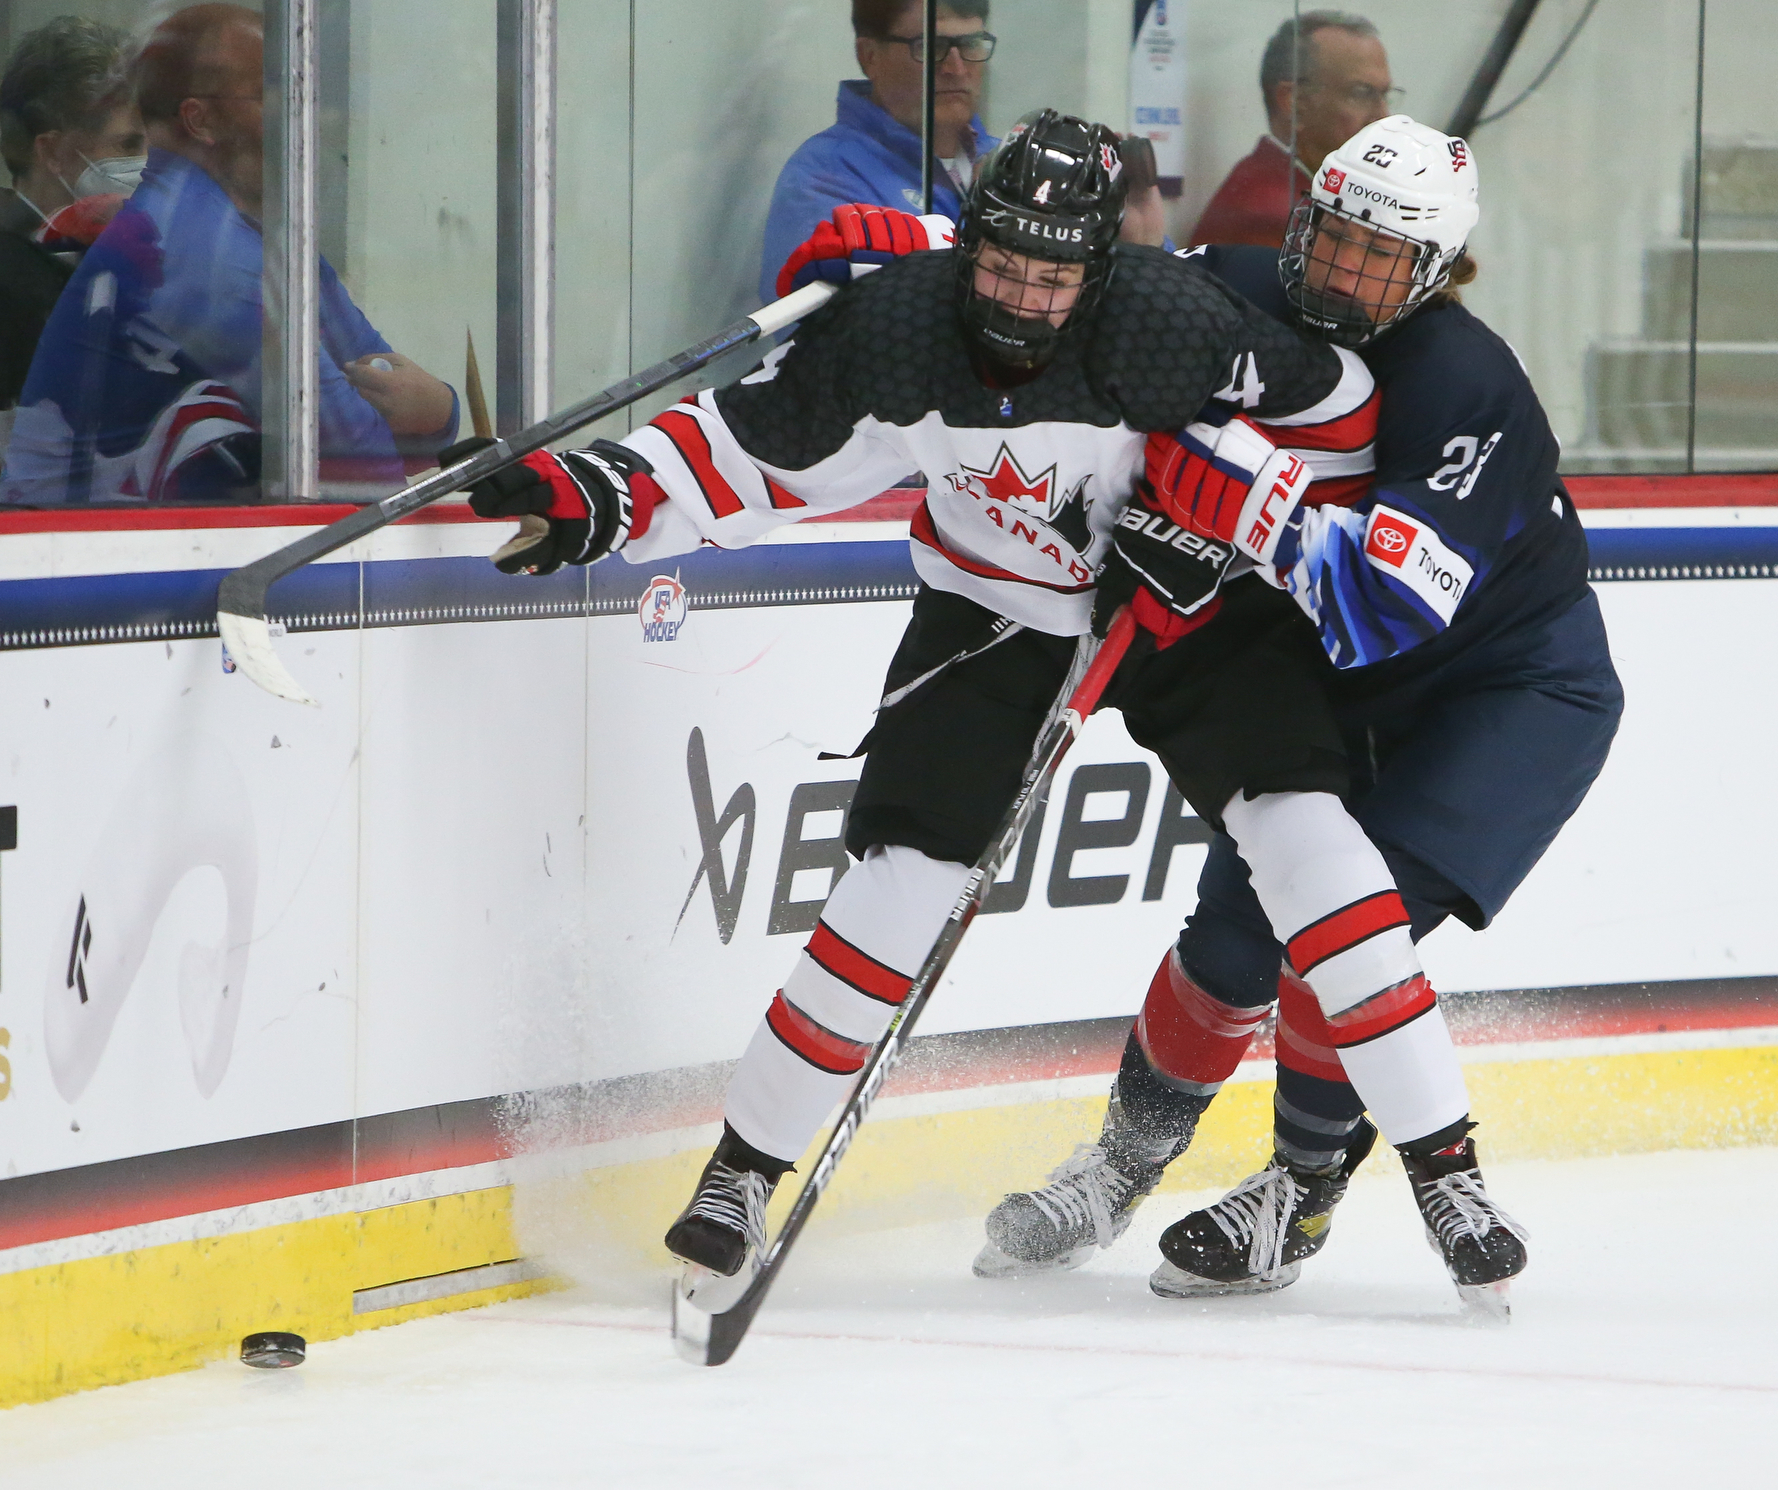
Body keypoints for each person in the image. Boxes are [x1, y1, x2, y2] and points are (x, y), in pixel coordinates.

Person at [446, 112, 1469, 1318]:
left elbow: (1340, 408)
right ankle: (739, 1174)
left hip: (1184, 608)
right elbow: (742, 454)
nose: (1022, 301)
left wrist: (1240, 499)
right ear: (964, 243)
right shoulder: (897, 327)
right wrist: (596, 494)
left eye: (1054, 274)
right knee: (897, 891)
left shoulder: (1165, 320)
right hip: (995, 613)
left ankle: (1448, 1173)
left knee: (1311, 838)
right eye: (994, 261)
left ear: (1098, 273)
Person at [979, 117, 1622, 1309]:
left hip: (1503, 692)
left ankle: (1298, 1190)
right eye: (1333, 237)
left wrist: (1244, 501)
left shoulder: (1465, 382)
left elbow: (1380, 608)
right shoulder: (1230, 287)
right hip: (1335, 687)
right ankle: (1117, 1166)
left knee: (1336, 944)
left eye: (1382, 257)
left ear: (1435, 269)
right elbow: (1060, 282)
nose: (1343, 273)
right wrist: (911, 267)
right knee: (1227, 945)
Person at [2, 4, 456, 505]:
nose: (306, 113)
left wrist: (438, 410)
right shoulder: (192, 252)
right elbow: (362, 471)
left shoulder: (263, 237)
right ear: (201, 120)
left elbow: (392, 404)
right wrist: (430, 415)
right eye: (274, 93)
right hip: (86, 564)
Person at [757, 0, 1000, 303]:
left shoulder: (1004, 161)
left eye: (972, 44)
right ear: (869, 57)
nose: (957, 68)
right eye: (930, 46)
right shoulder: (825, 178)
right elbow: (821, 338)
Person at [0, 15, 143, 454]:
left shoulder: (116, 262)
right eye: (128, 145)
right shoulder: (13, 274)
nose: (152, 166)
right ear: (54, 151)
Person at [1187, 11, 1397, 249]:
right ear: (1294, 103)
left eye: (1384, 96)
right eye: (1361, 93)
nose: (1383, 118)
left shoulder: (1302, 191)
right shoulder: (1276, 213)